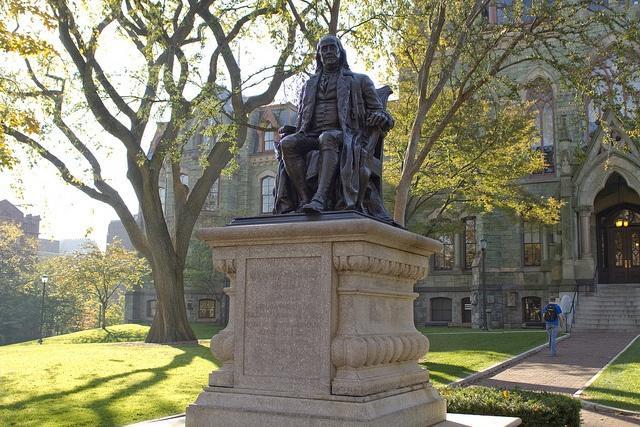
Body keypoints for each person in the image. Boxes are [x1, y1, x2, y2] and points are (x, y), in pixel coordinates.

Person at [274, 35, 394, 218]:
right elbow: (303, 119)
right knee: (288, 143)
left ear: (340, 52)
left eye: (332, 47)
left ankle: (320, 198)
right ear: (319, 54)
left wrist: (381, 116)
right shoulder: (309, 84)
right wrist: (292, 130)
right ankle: (305, 199)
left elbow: (382, 113)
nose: (328, 51)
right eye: (324, 48)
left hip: (346, 134)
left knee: (327, 137)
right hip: (311, 134)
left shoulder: (359, 80)